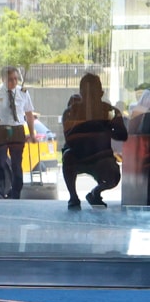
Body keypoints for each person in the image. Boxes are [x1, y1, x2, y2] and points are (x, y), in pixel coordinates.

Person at [61, 73, 128, 210]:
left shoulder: (110, 112)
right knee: (68, 156)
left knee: (114, 175)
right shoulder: (71, 112)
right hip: (79, 156)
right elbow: (70, 139)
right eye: (86, 93)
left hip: (101, 158)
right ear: (80, 94)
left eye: (93, 93)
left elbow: (122, 136)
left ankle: (95, 193)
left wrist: (114, 124)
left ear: (101, 93)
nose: (90, 98)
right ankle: (73, 196)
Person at [0, 66, 36, 199]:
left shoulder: (23, 93)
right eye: (10, 79)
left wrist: (32, 134)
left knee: (16, 163)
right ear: (3, 79)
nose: (14, 82)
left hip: (17, 130)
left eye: (15, 79)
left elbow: (29, 114)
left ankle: (16, 191)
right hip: (1, 130)